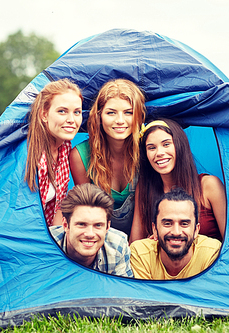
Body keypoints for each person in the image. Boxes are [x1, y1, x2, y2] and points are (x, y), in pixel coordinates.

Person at [130, 119, 226, 243]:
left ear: (180, 145)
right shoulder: (145, 188)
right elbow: (135, 245)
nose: (159, 153)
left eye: (166, 144)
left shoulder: (209, 185)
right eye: (151, 147)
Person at [69, 79, 146, 237]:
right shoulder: (80, 155)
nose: (120, 120)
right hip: (99, 236)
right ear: (99, 116)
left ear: (138, 116)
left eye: (128, 112)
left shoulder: (146, 150)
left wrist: (135, 251)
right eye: (111, 112)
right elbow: (88, 211)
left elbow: (142, 213)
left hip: (143, 234)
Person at [25, 79, 83, 226]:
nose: (71, 120)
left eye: (77, 112)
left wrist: (56, 242)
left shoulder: (65, 148)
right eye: (62, 111)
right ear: (44, 115)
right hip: (23, 235)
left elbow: (58, 205)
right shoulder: (30, 154)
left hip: (46, 234)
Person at [130, 188, 221, 279]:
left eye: (184, 224)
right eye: (167, 224)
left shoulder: (212, 253)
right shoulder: (140, 253)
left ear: (196, 230)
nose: (176, 232)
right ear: (155, 229)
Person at [49, 183, 133, 277]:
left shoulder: (117, 246)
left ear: (107, 227)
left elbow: (122, 290)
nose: (90, 234)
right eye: (81, 224)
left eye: (98, 225)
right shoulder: (45, 245)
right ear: (65, 225)